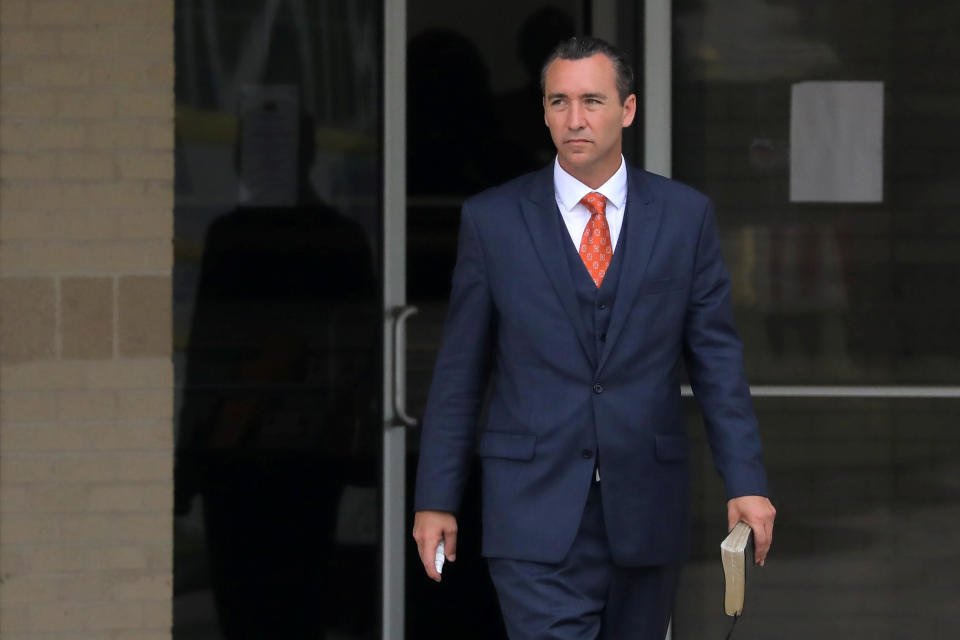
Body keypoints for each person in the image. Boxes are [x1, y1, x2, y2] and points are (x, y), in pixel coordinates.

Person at [412, 36, 776, 639]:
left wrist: (745, 482)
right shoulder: (493, 220)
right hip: (531, 506)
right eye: (559, 102)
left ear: (627, 110)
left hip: (646, 505)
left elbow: (716, 360)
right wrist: (435, 498)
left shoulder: (685, 217)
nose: (574, 119)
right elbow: (460, 371)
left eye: (592, 100)